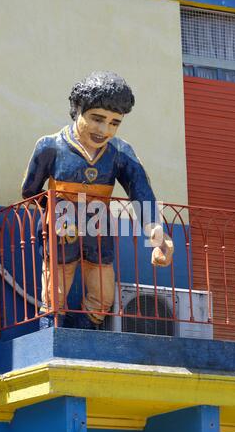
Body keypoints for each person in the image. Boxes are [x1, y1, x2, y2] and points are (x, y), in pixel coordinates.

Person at [22, 71, 174, 330]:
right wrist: (56, 215)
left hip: (99, 232)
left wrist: (159, 235)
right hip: (61, 233)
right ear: (77, 110)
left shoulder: (120, 153)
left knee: (103, 297)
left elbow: (141, 194)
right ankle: (50, 332)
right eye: (97, 119)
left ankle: (85, 331)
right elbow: (30, 192)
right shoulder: (50, 147)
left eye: (114, 123)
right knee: (54, 294)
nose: (104, 130)